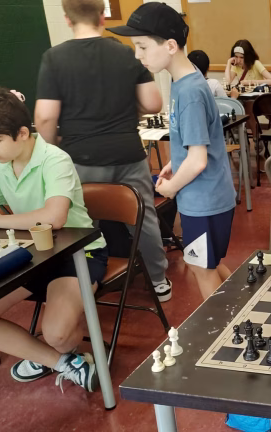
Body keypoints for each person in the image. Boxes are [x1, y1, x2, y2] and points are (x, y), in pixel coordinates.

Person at [33, 0, 172, 301]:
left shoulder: (54, 58)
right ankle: (159, 280)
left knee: (83, 223)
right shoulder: (124, 52)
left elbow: (44, 117)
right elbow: (152, 104)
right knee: (142, 219)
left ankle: (87, 282)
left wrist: (53, 144)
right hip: (127, 154)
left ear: (67, 20)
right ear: (102, 17)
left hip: (79, 159)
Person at [0, 87, 108, 391]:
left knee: (58, 335)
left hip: (78, 253)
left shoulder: (54, 159)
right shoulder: (0, 165)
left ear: (23, 133)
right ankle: (62, 362)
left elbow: (55, 217)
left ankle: (57, 349)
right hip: (35, 254)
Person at [109, 2, 237, 299]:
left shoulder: (190, 91)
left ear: (169, 45)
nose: (137, 55)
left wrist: (171, 188)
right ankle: (239, 313)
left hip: (204, 202)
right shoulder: (183, 81)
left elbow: (198, 159)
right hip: (204, 198)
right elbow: (191, 147)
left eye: (142, 46)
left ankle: (227, 334)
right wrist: (173, 163)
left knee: (202, 269)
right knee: (205, 265)